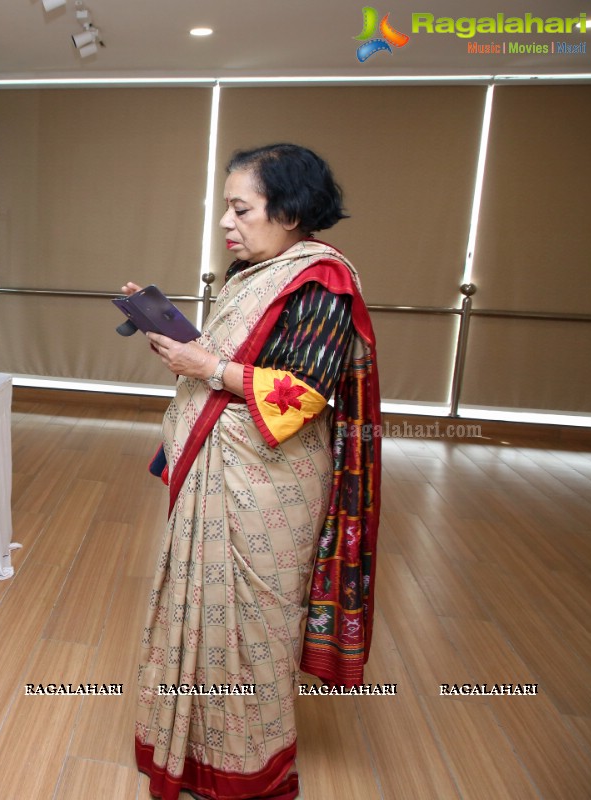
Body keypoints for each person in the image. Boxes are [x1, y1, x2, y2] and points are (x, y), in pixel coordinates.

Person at [129, 143, 381, 800]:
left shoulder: (321, 280)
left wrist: (204, 367)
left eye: (241, 209)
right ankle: (189, 751)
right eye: (226, 209)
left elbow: (303, 395)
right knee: (199, 612)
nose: (226, 223)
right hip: (222, 466)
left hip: (265, 487)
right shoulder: (251, 274)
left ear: (290, 212)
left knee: (253, 629)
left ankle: (247, 772)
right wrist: (178, 341)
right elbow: (232, 361)